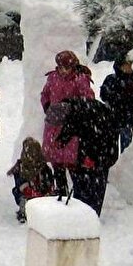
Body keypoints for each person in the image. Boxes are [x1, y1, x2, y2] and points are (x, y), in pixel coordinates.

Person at [40, 50, 94, 195]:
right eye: (61, 66)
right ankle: (61, 190)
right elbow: (45, 94)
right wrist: (47, 107)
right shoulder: (52, 77)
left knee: (72, 160)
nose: (63, 70)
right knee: (56, 160)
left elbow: (88, 99)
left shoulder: (81, 79)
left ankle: (78, 194)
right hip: (53, 125)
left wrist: (72, 108)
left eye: (67, 67)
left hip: (71, 126)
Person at [56, 98, 120, 215]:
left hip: (104, 148)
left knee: (95, 185)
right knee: (83, 182)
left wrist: (91, 158)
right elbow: (69, 128)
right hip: (97, 145)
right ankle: (82, 211)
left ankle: (91, 216)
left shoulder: (85, 116)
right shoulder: (75, 109)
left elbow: (96, 138)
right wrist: (61, 140)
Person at [7, 137, 57, 223]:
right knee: (22, 196)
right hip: (28, 194)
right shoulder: (20, 168)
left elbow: (50, 183)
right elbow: (21, 187)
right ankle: (24, 211)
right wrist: (32, 191)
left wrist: (46, 192)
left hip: (43, 194)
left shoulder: (44, 168)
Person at [99, 56, 133, 153]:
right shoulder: (111, 79)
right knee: (110, 147)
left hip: (128, 118)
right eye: (127, 65)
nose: (129, 67)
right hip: (113, 117)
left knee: (126, 148)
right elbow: (103, 95)